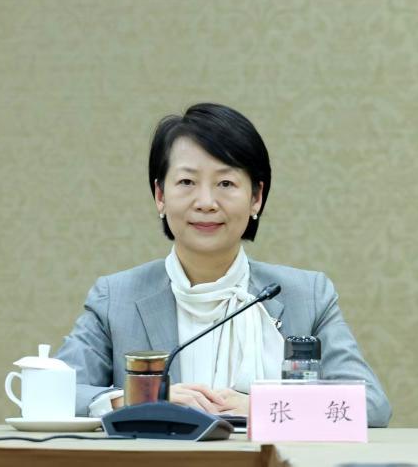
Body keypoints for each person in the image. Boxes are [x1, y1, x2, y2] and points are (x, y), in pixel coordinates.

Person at [56, 103, 392, 427]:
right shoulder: (115, 298)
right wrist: (143, 399)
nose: (206, 202)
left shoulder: (308, 295)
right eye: (187, 182)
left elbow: (371, 405)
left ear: (256, 197)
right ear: (160, 196)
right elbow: (54, 394)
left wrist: (266, 407)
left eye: (226, 184)